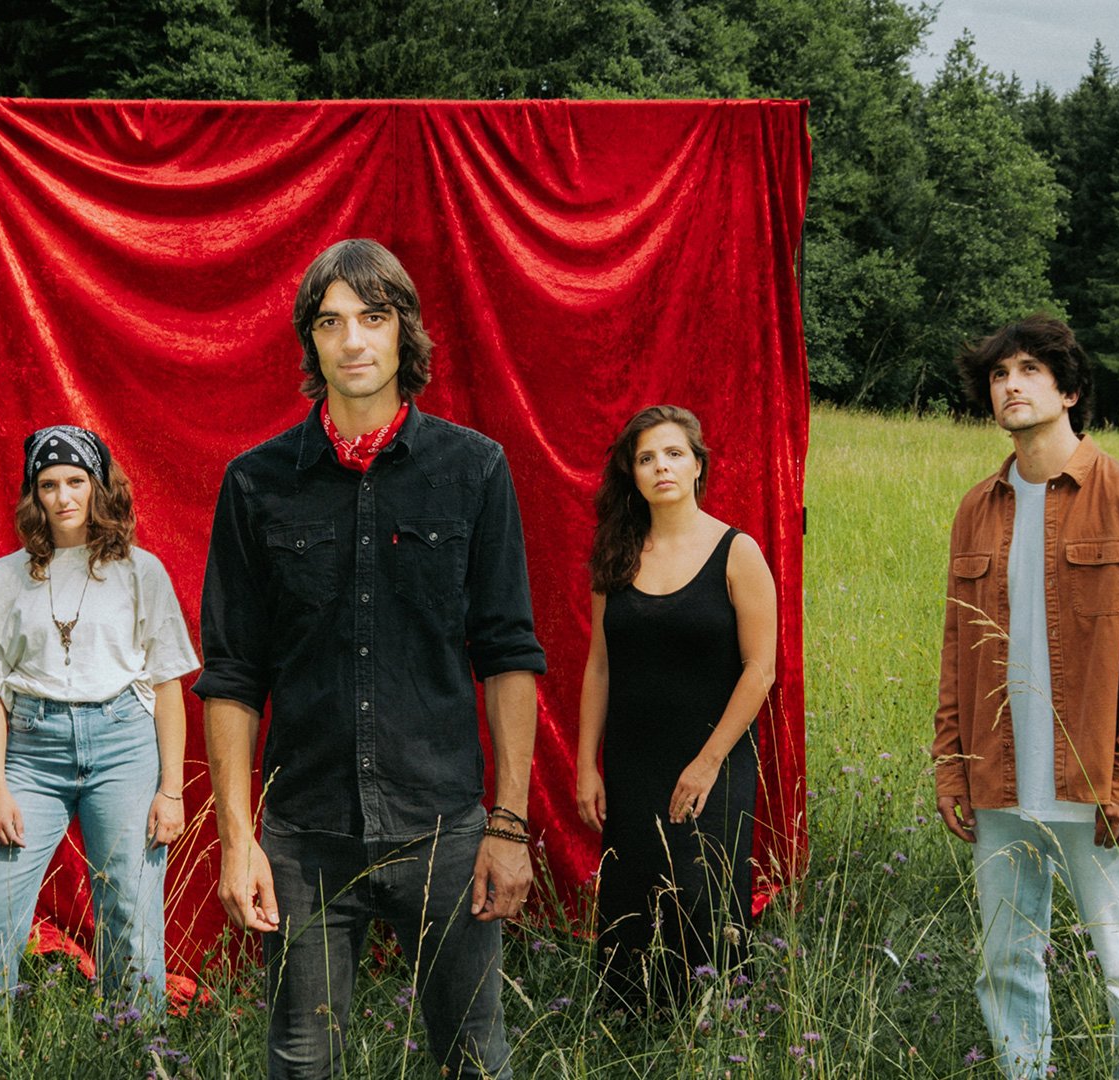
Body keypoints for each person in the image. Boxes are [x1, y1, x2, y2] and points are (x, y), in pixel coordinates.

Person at [195, 238, 546, 1078]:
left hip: (447, 830)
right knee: (301, 1061)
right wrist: (239, 842)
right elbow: (234, 674)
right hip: (304, 838)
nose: (353, 339)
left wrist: (507, 825)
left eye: (373, 318)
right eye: (331, 321)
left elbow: (508, 655)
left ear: (404, 334)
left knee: (474, 1057)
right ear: (311, 342)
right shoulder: (256, 483)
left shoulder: (474, 471)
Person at [934, 315, 1119, 1080]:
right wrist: (953, 765)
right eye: (999, 374)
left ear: (1069, 389)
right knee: (1006, 965)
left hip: (1097, 784)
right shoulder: (977, 508)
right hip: (1000, 784)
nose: (1010, 384)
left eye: (1030, 370)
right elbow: (956, 653)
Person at [0, 425, 197, 1015]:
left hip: (124, 744)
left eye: (76, 480)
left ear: (99, 486)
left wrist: (171, 790)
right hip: (33, 750)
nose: (63, 496)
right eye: (48, 483)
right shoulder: (4, 578)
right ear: (35, 494)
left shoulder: (141, 571)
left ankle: (135, 1045)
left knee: (129, 909)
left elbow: (167, 685)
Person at [572, 405, 776, 1012]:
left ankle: (716, 1028)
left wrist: (709, 762)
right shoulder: (618, 555)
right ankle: (629, 1030)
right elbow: (599, 666)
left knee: (701, 893)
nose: (661, 466)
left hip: (714, 759)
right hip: (634, 760)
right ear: (632, 475)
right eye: (646, 458)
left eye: (673, 454)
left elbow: (760, 670)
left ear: (697, 465)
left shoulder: (737, 551)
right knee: (633, 894)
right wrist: (587, 763)